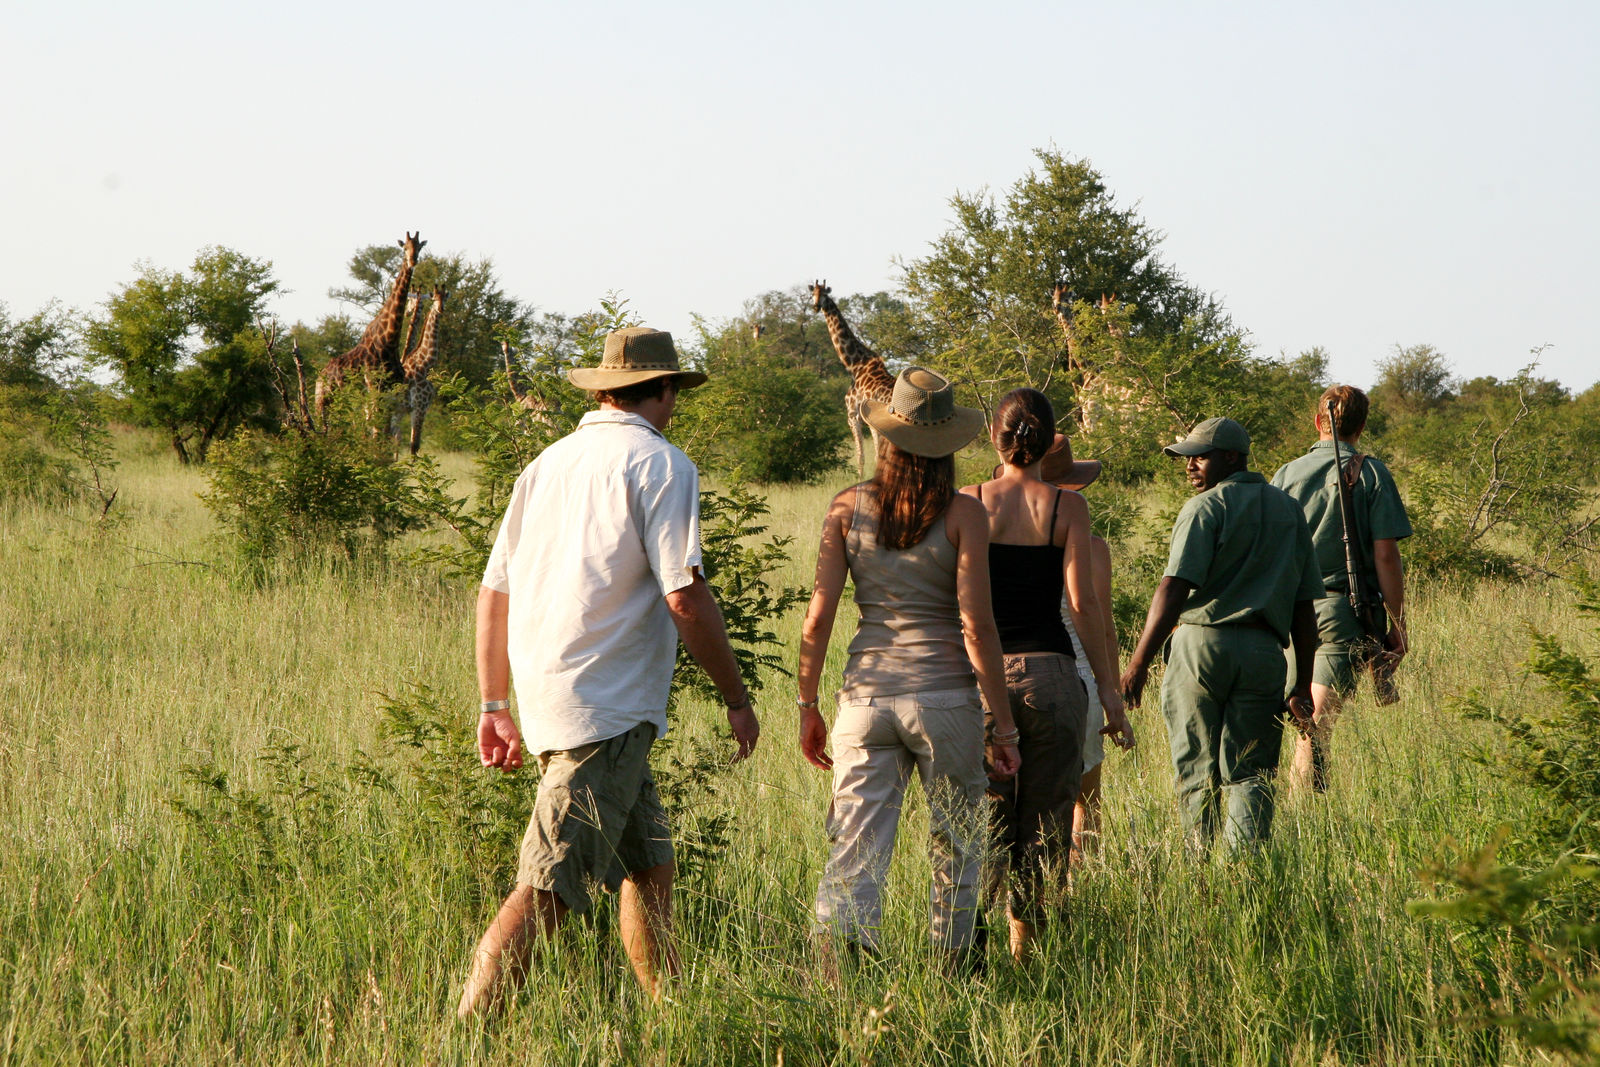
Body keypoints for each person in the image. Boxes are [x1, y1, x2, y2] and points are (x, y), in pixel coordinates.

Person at [457, 327, 760, 1017]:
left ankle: (675, 1022)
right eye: (672, 391)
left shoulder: (547, 463)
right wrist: (735, 697)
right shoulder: (662, 464)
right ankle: (464, 1035)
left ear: (600, 391)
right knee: (545, 887)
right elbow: (684, 594)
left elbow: (493, 592)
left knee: (650, 864)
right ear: (661, 392)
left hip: (561, 703)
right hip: (606, 712)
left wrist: (493, 702)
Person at [795, 366, 1021, 973]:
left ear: (889, 433)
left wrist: (807, 706)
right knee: (956, 843)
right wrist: (1004, 728)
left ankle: (842, 979)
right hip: (945, 700)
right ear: (949, 445)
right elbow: (977, 627)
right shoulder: (964, 513)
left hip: (863, 700)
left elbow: (817, 621)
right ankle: (955, 971)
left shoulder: (846, 507)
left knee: (855, 847)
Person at [960, 389, 1132, 961]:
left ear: (995, 438)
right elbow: (1082, 605)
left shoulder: (967, 501)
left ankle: (970, 946)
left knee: (983, 816)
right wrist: (1109, 693)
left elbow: (952, 603)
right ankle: (1023, 950)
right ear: (1048, 440)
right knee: (1046, 825)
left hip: (980, 682)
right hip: (1056, 679)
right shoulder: (1067, 508)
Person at [1119, 417, 1322, 852]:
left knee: (1196, 767)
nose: (1190, 465)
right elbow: (1305, 608)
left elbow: (1173, 587)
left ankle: (1200, 877)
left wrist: (1139, 662)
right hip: (1264, 651)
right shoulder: (1289, 510)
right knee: (1251, 770)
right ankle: (1242, 875)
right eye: (1187, 457)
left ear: (1231, 456)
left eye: (1201, 456)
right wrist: (1301, 680)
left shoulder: (1205, 507)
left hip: (1201, 647)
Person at [1270, 385, 1412, 791]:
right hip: (1337, 614)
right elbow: (1386, 555)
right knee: (1313, 730)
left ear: (1319, 422)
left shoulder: (1285, 474)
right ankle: (1308, 826)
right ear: (1362, 425)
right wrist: (1398, 624)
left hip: (1284, 613)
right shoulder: (1371, 472)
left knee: (1294, 721)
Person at [1035, 436, 1131, 862]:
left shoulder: (999, 537)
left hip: (1015, 677)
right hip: (1080, 682)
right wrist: (1113, 694)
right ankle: (1078, 892)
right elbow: (1104, 628)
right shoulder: (1092, 549)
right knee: (1085, 803)